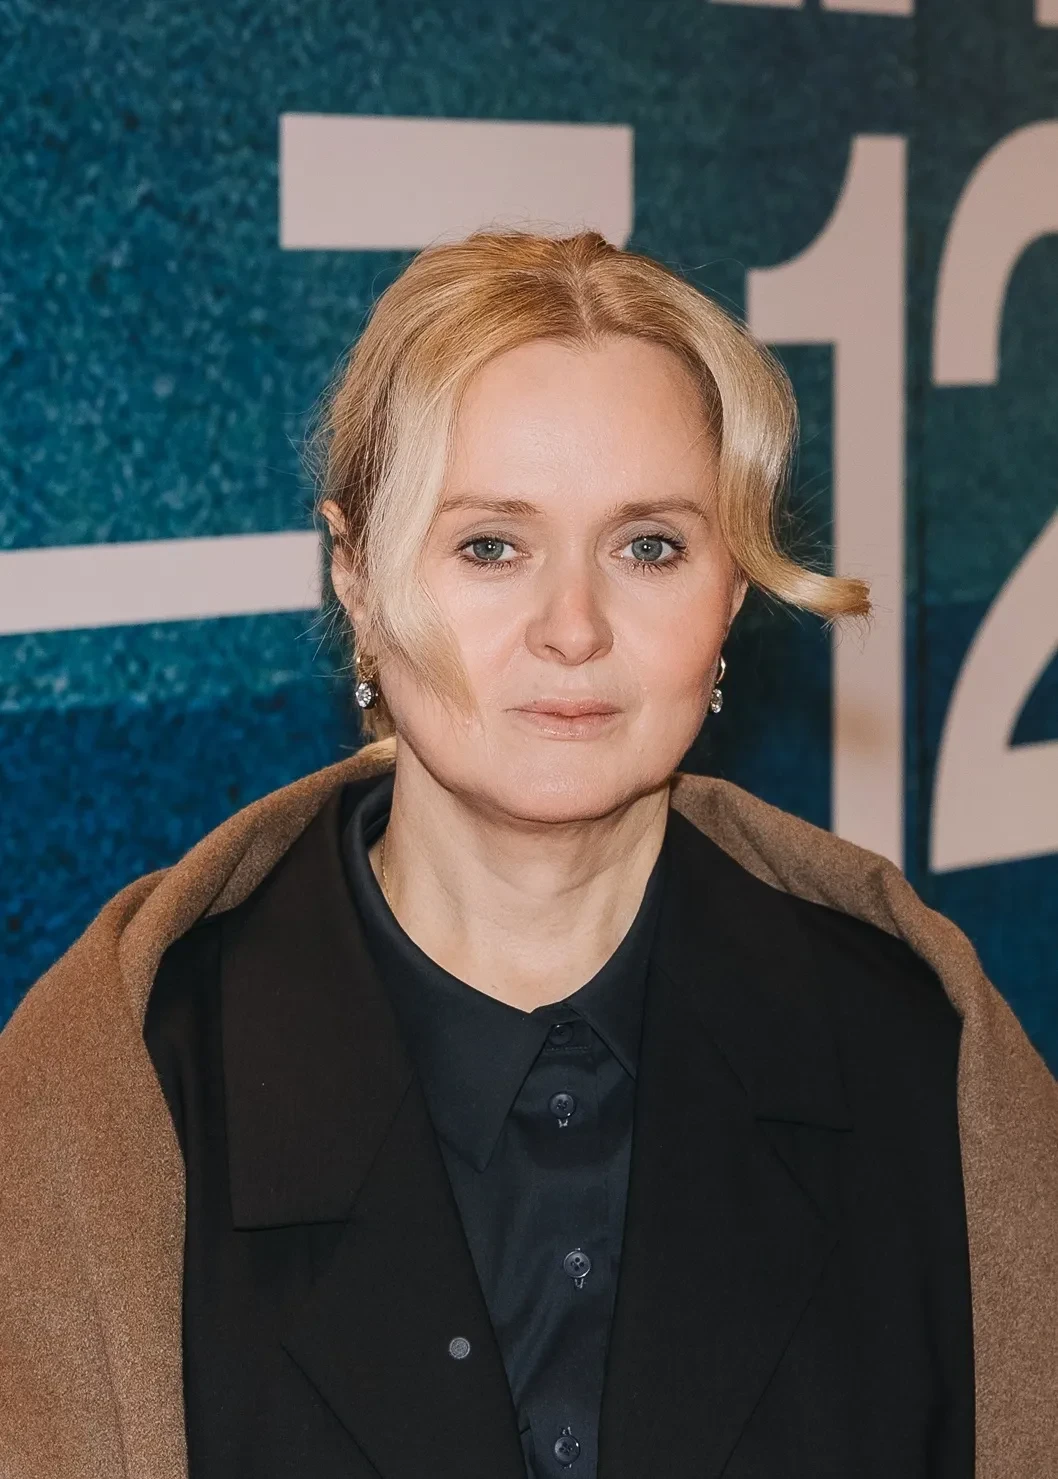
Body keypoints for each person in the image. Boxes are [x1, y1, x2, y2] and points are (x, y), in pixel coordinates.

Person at [1, 230, 1056, 1479]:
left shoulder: (917, 1061)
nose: (572, 628)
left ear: (730, 589)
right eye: (490, 545)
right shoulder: (129, 1092)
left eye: (648, 546)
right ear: (355, 572)